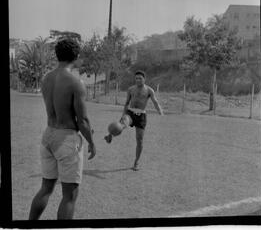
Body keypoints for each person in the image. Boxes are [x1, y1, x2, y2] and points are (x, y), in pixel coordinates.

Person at [28, 39, 96, 220]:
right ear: (76, 56)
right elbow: (82, 121)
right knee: (70, 196)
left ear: (57, 55)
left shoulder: (46, 78)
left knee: (45, 188)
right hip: (66, 139)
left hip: (48, 135)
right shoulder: (76, 82)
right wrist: (92, 142)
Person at [105, 70, 163, 171]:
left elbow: (155, 102)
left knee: (139, 140)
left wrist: (160, 112)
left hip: (141, 116)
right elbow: (127, 103)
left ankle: (136, 162)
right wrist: (123, 115)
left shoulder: (149, 90)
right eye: (136, 78)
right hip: (130, 113)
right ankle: (110, 135)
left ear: (144, 79)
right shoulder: (131, 89)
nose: (138, 80)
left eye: (140, 78)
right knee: (122, 125)